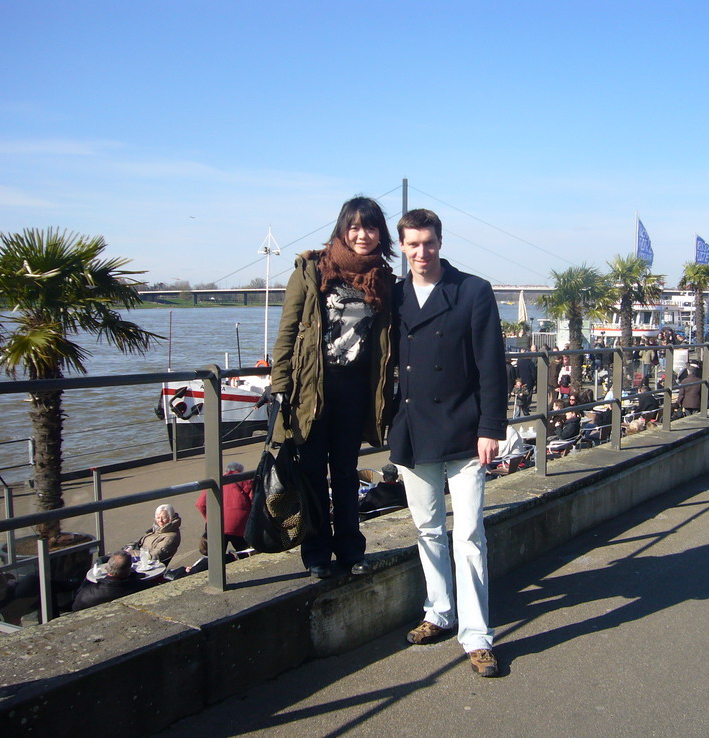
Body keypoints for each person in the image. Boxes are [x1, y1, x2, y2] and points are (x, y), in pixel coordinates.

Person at [389, 208, 507, 678]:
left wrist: (491, 428)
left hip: (464, 430)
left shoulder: (473, 290)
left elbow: (491, 364)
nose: (422, 252)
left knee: (470, 536)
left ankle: (477, 636)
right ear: (401, 246)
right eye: (413, 244)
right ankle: (439, 611)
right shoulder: (393, 297)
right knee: (428, 530)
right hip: (414, 430)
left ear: (441, 242)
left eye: (429, 243)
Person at [270, 197, 396, 580]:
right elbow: (288, 330)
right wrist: (280, 384)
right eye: (355, 227)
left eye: (371, 227)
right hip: (312, 388)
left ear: (380, 233)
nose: (363, 234)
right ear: (342, 229)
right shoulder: (312, 270)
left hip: (356, 388)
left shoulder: (383, 277)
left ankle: (351, 552)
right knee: (309, 473)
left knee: (345, 472)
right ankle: (316, 556)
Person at [195, 462, 252, 553]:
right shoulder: (245, 480)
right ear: (240, 471)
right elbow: (254, 500)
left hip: (218, 525)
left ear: (226, 470)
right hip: (239, 524)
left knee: (217, 555)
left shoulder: (215, 482)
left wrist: (209, 519)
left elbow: (200, 504)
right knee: (244, 551)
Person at [71, 551, 146, 612]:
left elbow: (75, 608)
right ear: (128, 571)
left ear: (107, 567)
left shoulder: (87, 593)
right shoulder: (139, 586)